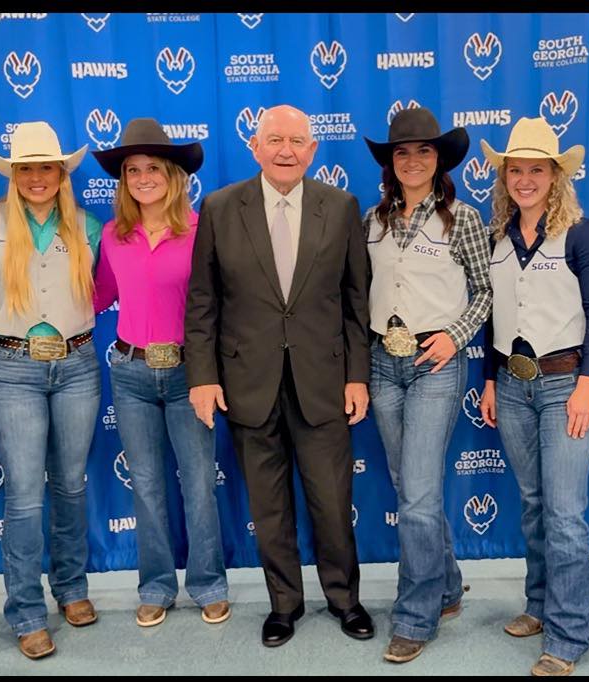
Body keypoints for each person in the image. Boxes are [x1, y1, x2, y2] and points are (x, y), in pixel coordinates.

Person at [184, 104, 374, 648]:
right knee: (268, 505)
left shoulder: (340, 208)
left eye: (297, 141)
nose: (286, 150)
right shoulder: (220, 208)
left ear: (313, 150)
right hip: (249, 383)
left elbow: (355, 301)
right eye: (275, 140)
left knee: (333, 502)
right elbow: (203, 302)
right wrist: (202, 376)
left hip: (324, 381)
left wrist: (356, 375)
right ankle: (283, 604)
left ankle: (345, 599)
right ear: (255, 146)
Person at [477, 117, 589, 676]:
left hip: (565, 383)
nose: (525, 179)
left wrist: (587, 385)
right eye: (516, 169)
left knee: (563, 512)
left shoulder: (582, 233)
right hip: (511, 384)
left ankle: (570, 631)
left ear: (557, 176)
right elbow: (490, 317)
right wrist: (488, 379)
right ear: (503, 176)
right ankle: (539, 604)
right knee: (533, 504)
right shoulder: (497, 237)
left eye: (537, 169)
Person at [0, 121, 103, 659]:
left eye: (47, 167)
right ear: (14, 174)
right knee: (24, 496)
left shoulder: (87, 227)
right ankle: (25, 612)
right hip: (17, 367)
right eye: (26, 168)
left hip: (77, 364)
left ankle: (71, 589)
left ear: (61, 173)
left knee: (70, 485)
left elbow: (107, 286)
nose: (37, 177)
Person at [361, 108, 490, 663]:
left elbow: (485, 292)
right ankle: (446, 584)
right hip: (382, 360)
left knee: (416, 491)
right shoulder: (373, 219)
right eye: (402, 152)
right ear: (391, 163)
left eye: (424, 151)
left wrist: (455, 336)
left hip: (434, 361)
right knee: (408, 485)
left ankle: (415, 615)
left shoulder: (463, 218)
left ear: (440, 161)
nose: (412, 160)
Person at [91, 118, 231, 628]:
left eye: (153, 168)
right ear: (124, 179)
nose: (143, 177)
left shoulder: (200, 230)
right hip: (128, 371)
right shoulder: (112, 234)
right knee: (146, 486)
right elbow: (98, 295)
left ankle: (209, 584)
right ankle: (154, 587)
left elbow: (219, 305)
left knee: (198, 484)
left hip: (188, 375)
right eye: (132, 170)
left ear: (173, 176)